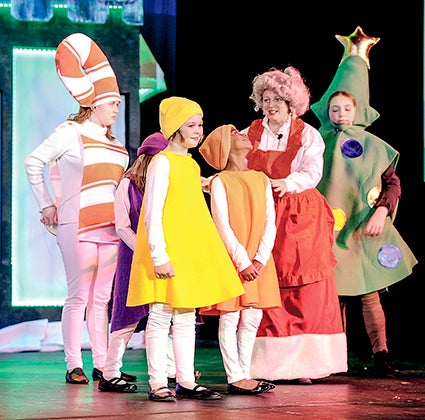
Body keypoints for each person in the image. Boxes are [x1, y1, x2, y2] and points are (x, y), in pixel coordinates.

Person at [310, 27, 418, 378]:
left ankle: (381, 354)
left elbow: (392, 183)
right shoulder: (315, 141)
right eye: (335, 107)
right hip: (327, 228)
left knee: (368, 293)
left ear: (358, 109)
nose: (340, 113)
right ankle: (333, 358)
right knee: (334, 295)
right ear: (328, 109)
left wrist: (382, 210)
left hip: (363, 226)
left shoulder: (374, 145)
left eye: (346, 107)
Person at [24, 33, 129, 384]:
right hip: (78, 224)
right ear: (95, 102)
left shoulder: (117, 145)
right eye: (112, 103)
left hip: (110, 230)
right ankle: (73, 364)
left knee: (101, 299)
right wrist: (47, 205)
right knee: (79, 295)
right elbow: (33, 162)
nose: (117, 108)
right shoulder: (70, 131)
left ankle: (103, 364)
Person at [126, 97, 245, 402]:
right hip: (167, 251)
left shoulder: (190, 164)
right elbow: (152, 213)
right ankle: (157, 382)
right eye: (191, 125)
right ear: (175, 128)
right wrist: (158, 255)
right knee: (160, 315)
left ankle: (186, 381)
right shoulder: (162, 162)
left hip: (188, 250)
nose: (198, 130)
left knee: (185, 317)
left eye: (200, 124)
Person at [242, 66, 348, 384]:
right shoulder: (250, 133)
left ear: (292, 103)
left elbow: (312, 171)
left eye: (278, 99)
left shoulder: (308, 135)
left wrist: (289, 183)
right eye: (266, 98)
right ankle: (266, 366)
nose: (271, 104)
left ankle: (306, 366)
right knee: (266, 284)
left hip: (299, 214)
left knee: (304, 287)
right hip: (262, 211)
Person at [198, 124, 280, 395]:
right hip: (235, 261)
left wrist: (260, 258)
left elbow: (270, 220)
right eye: (234, 134)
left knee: (252, 317)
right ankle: (235, 375)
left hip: (259, 261)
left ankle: (245, 373)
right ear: (225, 147)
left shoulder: (261, 179)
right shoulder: (220, 181)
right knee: (231, 317)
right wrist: (243, 261)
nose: (243, 134)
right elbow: (222, 225)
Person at [98, 132, 168, 393]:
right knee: (128, 314)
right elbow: (122, 226)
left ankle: (168, 368)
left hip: (163, 255)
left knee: (165, 314)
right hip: (134, 255)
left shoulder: (164, 183)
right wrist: (145, 248)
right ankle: (110, 372)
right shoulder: (128, 185)